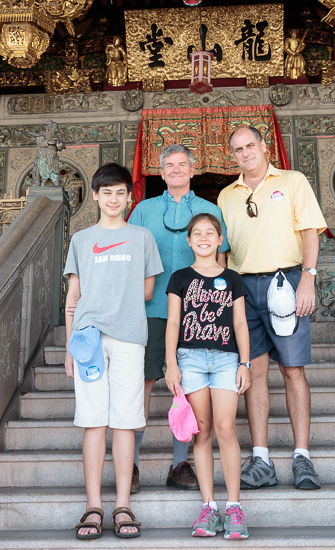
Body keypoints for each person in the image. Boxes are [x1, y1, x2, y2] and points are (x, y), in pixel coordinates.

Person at [217, 126, 327, 491]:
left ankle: (302, 456)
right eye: (238, 149)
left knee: (293, 370)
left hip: (286, 281)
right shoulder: (227, 195)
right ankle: (261, 458)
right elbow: (223, 251)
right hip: (242, 287)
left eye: (251, 145)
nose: (245, 152)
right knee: (254, 370)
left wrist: (308, 278)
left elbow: (309, 231)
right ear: (232, 155)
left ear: (264, 146)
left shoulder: (293, 181)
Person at [64, 163, 163, 539]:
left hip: (130, 338)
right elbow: (73, 297)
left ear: (129, 197)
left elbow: (149, 290)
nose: (113, 199)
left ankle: (123, 506)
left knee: (125, 421)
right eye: (106, 192)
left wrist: (114, 298)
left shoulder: (142, 237)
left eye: (120, 192)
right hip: (89, 339)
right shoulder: (81, 239)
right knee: (94, 421)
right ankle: (94, 507)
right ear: (95, 196)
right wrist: (71, 348)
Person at [128, 144, 229, 492]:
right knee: (142, 384)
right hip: (151, 309)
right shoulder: (143, 210)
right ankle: (132, 464)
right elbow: (129, 260)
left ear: (192, 169)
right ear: (160, 171)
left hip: (198, 312)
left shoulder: (209, 210)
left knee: (187, 386)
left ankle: (179, 463)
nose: (175, 170)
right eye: (169, 165)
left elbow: (222, 263)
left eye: (182, 164)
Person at [165, 213, 251, 540]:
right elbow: (174, 322)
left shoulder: (233, 278)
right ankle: (209, 507)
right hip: (190, 359)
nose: (203, 238)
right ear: (189, 241)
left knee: (225, 427)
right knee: (201, 431)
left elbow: (240, 322)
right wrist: (171, 364)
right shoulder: (180, 278)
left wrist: (245, 363)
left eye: (210, 233)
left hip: (227, 359)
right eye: (197, 233)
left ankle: (234, 507)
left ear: (220, 240)